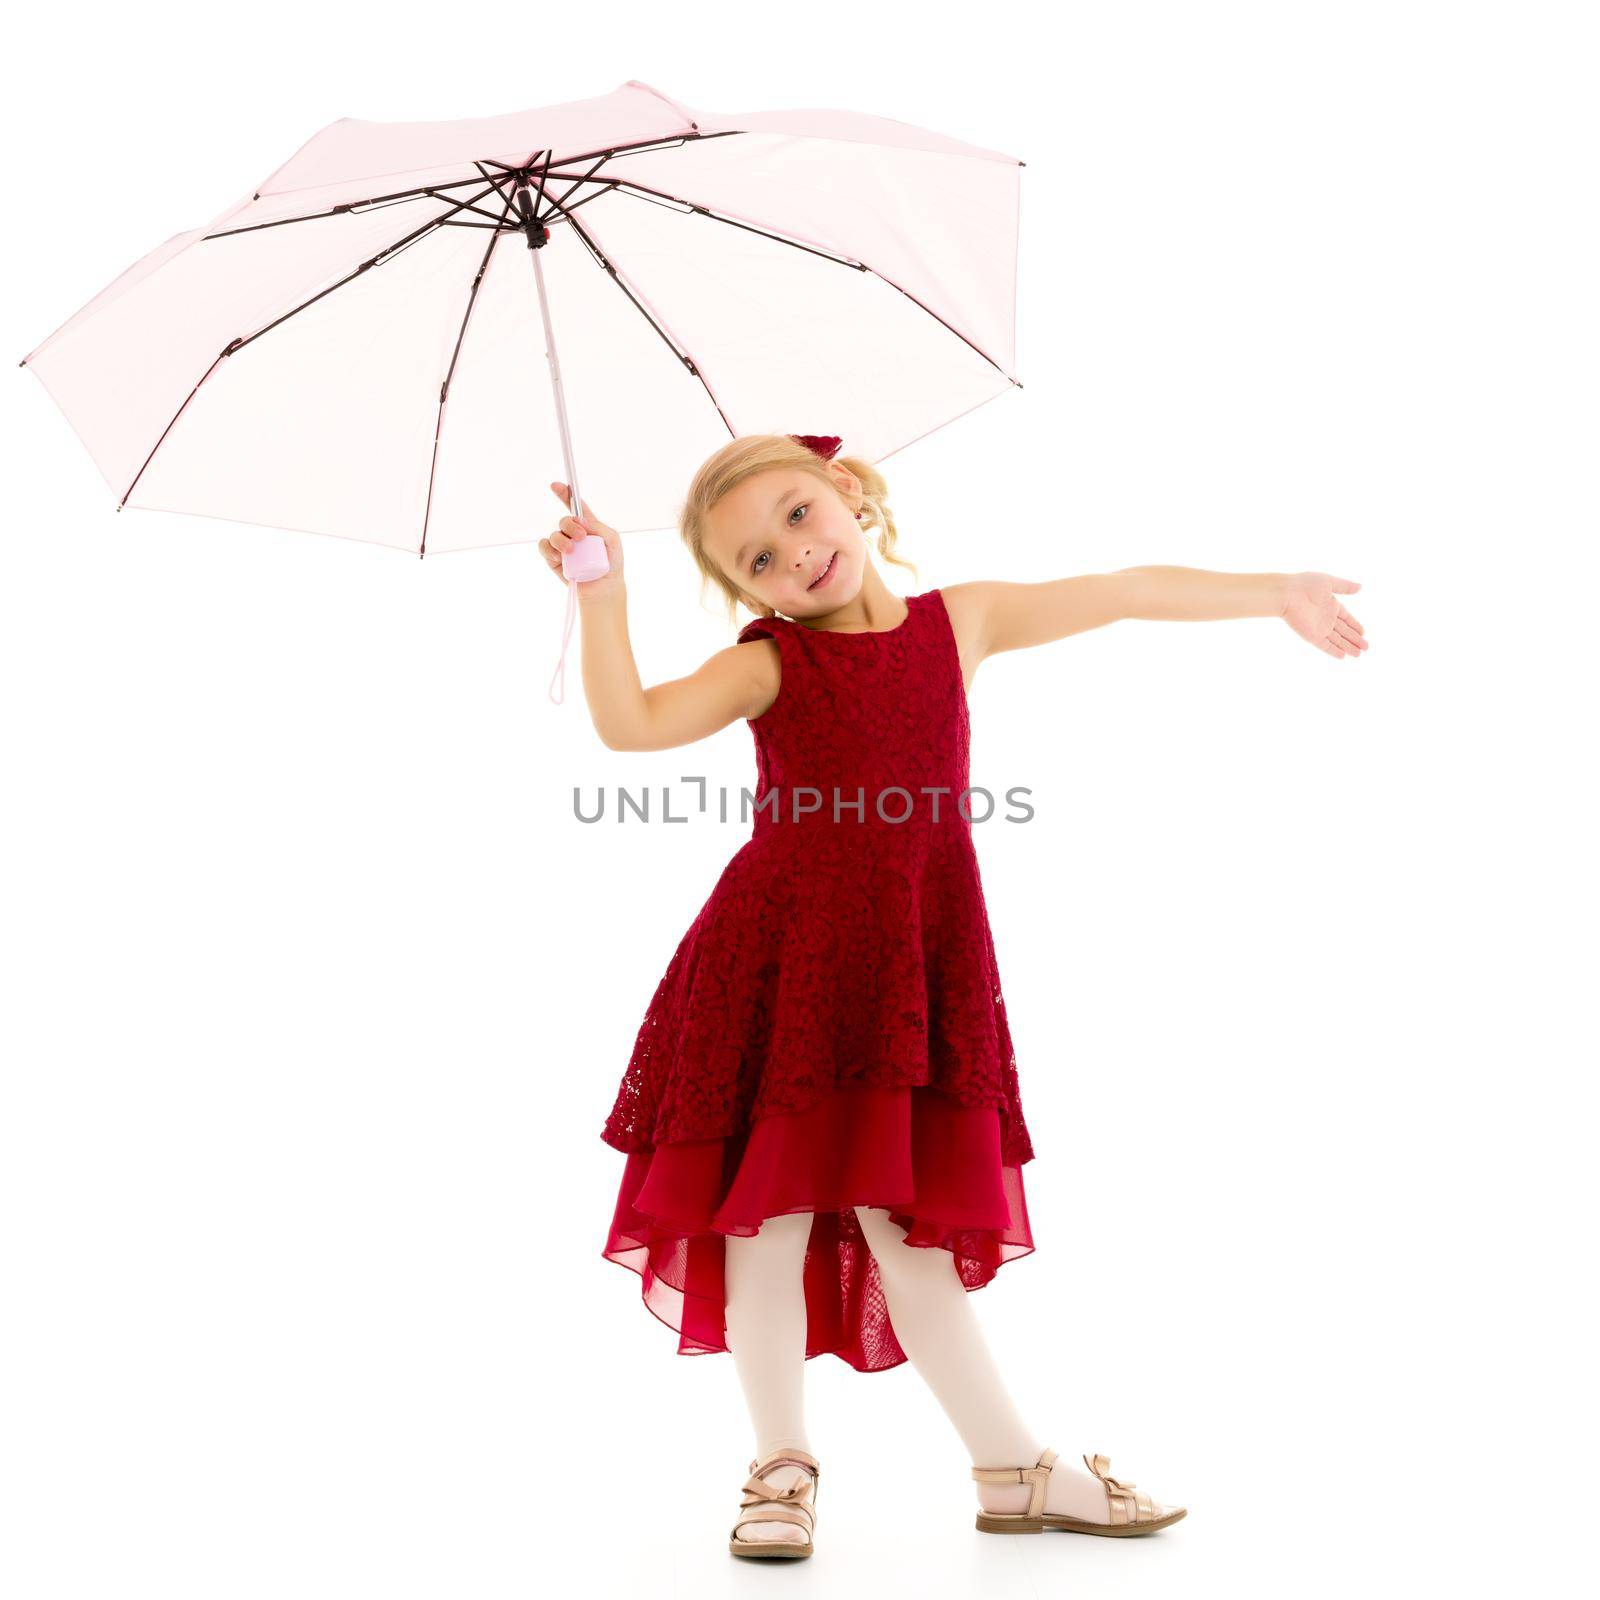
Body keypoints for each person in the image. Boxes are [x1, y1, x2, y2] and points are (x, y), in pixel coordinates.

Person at [538, 434, 1367, 1559]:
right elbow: (630, 723)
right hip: (784, 966)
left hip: (907, 969)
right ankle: (782, 1464)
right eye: (757, 561)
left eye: (795, 516)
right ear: (746, 596)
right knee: (767, 1223)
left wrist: (1276, 591)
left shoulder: (956, 622)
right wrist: (602, 592)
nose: (791, 557)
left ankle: (1011, 1468)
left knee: (910, 1234)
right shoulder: (771, 662)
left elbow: (1119, 591)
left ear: (850, 493)